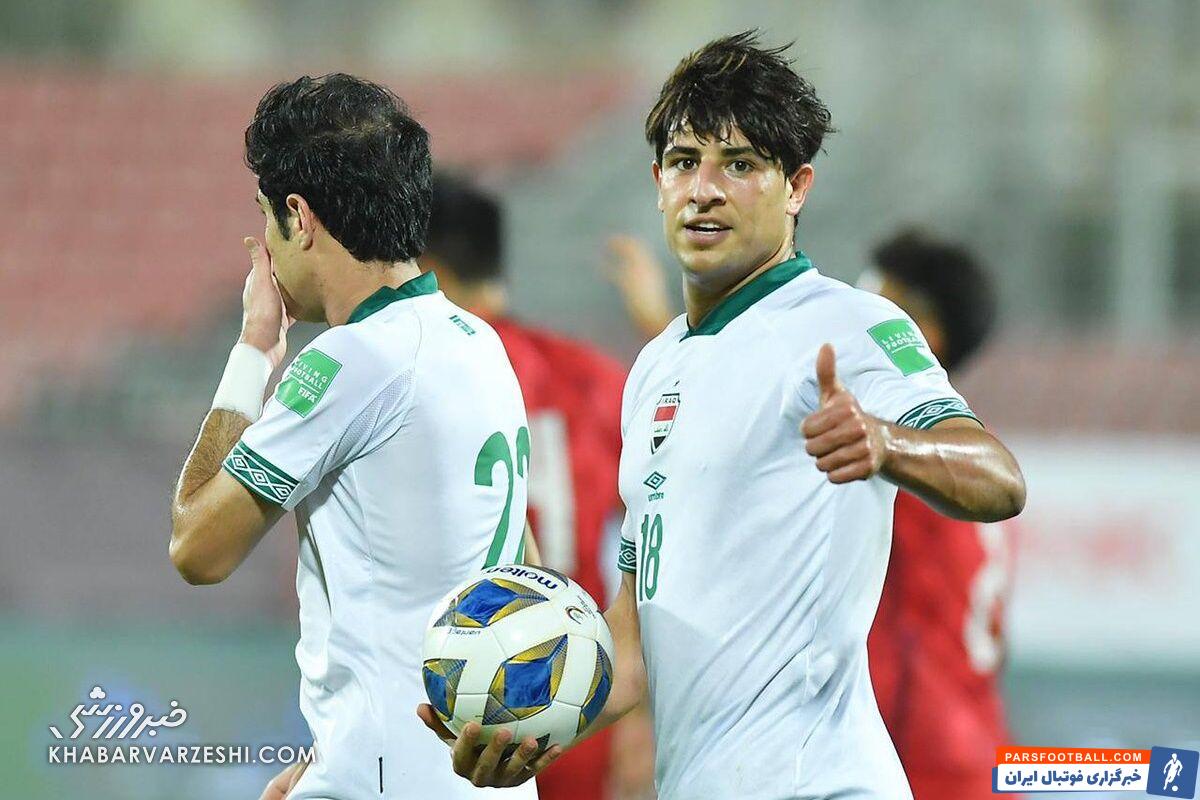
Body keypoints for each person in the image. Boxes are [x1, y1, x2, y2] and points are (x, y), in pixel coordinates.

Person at [421, 31, 1026, 799]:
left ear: (796, 187)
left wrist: (887, 444)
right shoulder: (655, 370)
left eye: (738, 165)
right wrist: (527, 727)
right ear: (658, 182)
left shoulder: (848, 325)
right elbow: (634, 647)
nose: (703, 188)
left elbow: (999, 478)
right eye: (684, 162)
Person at [168, 74, 537, 800]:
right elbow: (515, 560)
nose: (266, 248)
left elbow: (196, 547)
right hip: (465, 779)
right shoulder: (479, 342)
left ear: (299, 218)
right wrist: (338, 750)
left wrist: (254, 352)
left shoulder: (353, 360)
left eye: (266, 219)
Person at [421, 172, 653, 800]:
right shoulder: (597, 379)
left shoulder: (419, 379)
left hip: (448, 713)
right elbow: (669, 529)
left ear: (427, 269)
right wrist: (645, 712)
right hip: (581, 707)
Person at [858, 230, 1015, 800]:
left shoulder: (896, 450)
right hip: (976, 751)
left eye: (871, 306)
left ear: (920, 336)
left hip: (916, 763)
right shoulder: (971, 456)